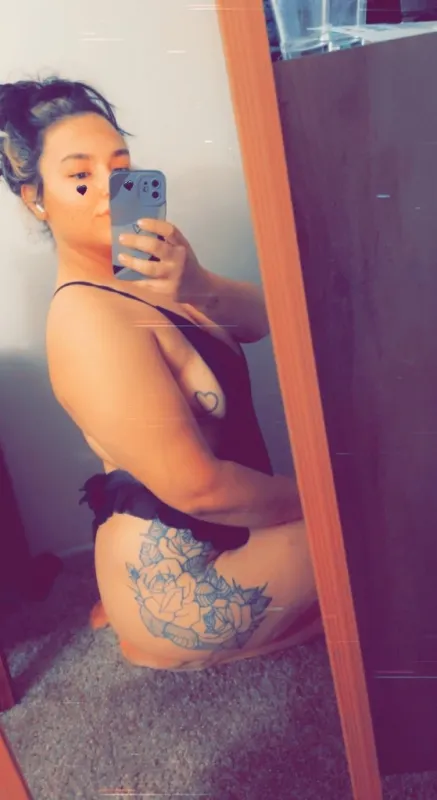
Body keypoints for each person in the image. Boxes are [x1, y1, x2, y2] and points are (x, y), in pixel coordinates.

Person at [0, 76, 321, 670]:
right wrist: (324, 497)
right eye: (80, 177)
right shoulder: (86, 319)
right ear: (35, 199)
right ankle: (159, 643)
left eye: (121, 168)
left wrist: (196, 283)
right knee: (378, 527)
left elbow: (270, 320)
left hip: (231, 529)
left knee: (377, 524)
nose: (110, 189)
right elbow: (200, 489)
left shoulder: (147, 273)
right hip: (185, 583)